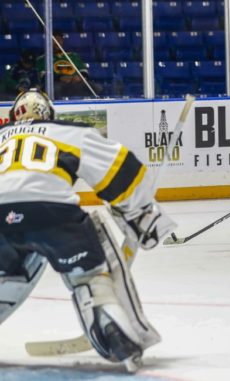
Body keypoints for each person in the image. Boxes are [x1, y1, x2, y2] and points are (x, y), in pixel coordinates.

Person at [0, 89, 176, 370]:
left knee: (4, 276)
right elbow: (122, 170)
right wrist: (141, 214)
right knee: (92, 274)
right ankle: (108, 315)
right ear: (49, 114)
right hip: (51, 213)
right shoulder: (65, 132)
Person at [36, 31, 99, 98]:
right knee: (55, 89)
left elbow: (84, 71)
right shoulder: (43, 58)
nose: (57, 42)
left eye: (59, 40)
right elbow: (43, 76)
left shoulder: (73, 55)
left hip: (75, 83)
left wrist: (79, 77)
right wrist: (60, 78)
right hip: (59, 84)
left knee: (96, 87)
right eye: (54, 40)